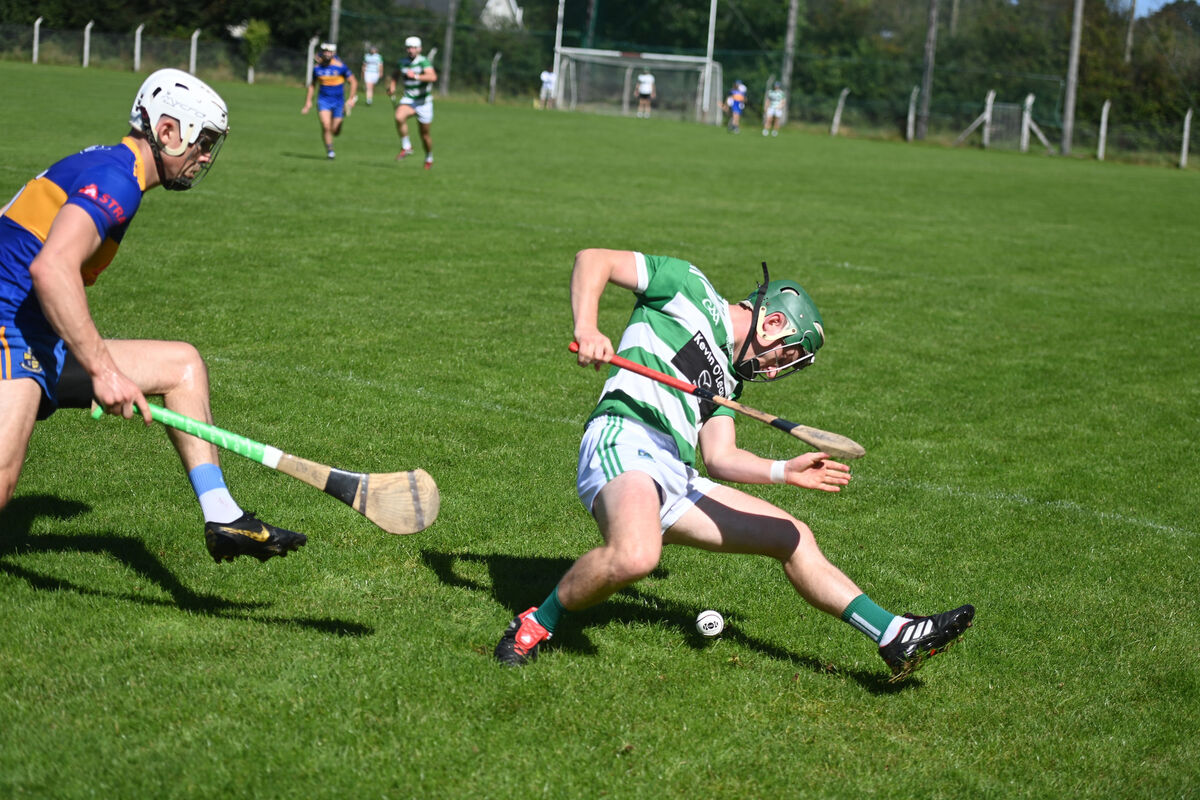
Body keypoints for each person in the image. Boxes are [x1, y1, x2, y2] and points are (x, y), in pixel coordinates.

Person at [494, 248, 974, 681]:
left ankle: (894, 634)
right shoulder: (686, 285)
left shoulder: (727, 378)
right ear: (771, 325)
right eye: (783, 357)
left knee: (793, 535)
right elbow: (592, 259)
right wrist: (588, 326)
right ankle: (536, 624)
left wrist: (785, 470)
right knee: (637, 556)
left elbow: (720, 458)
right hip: (625, 437)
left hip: (675, 475)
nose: (773, 370)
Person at [0, 69, 306, 564]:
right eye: (202, 143)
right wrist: (102, 370)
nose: (205, 157)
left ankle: (222, 512)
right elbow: (51, 267)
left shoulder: (109, 168)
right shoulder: (116, 178)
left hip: (36, 332)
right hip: (7, 324)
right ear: (167, 131)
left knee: (181, 365)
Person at [387, 36, 437, 170]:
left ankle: (429, 157)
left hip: (424, 102)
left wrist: (415, 76)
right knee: (399, 116)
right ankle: (406, 146)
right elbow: (395, 74)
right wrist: (392, 85)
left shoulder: (423, 62)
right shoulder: (402, 62)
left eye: (414, 48)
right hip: (409, 99)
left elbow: (432, 77)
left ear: (419, 49)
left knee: (424, 135)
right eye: (409, 48)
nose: (411, 50)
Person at [301, 42, 358, 160]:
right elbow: (312, 85)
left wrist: (351, 99)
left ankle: (339, 122)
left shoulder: (340, 66)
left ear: (334, 53)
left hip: (339, 102)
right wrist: (308, 102)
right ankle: (330, 151)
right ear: (322, 52)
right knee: (326, 126)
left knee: (335, 131)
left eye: (329, 52)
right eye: (325, 51)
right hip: (323, 101)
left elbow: (353, 81)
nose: (327, 54)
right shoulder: (317, 69)